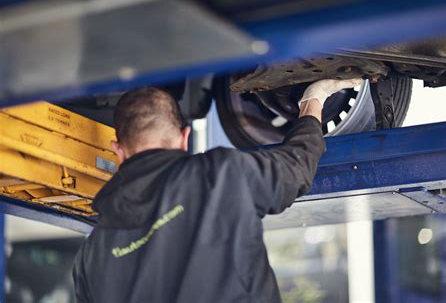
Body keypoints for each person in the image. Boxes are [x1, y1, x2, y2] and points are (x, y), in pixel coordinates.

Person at [73, 78, 363, 303]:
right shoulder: (219, 173)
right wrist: (312, 101)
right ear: (185, 137)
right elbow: (296, 167)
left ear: (118, 151)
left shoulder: (90, 257)